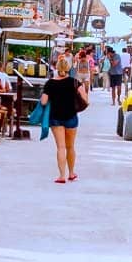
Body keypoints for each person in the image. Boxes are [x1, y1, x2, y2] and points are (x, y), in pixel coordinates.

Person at [40, 54, 88, 184]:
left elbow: (43, 102)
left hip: (55, 118)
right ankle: (71, 173)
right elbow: (85, 100)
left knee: (60, 147)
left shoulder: (50, 83)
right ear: (68, 68)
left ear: (56, 68)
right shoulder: (74, 82)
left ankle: (61, 176)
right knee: (70, 146)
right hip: (71, 117)